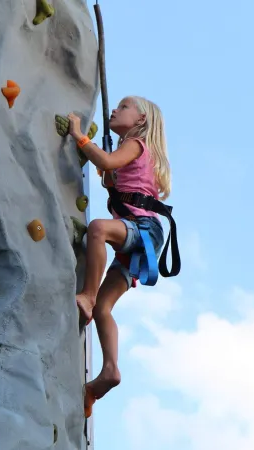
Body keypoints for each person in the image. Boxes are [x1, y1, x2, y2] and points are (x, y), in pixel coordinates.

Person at [67, 95, 172, 417]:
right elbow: (112, 174)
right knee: (105, 308)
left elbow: (108, 163)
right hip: (143, 236)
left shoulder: (137, 145)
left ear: (141, 120)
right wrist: (108, 174)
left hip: (143, 228)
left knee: (98, 229)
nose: (115, 110)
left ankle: (86, 293)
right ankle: (108, 372)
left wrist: (78, 135)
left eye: (124, 107)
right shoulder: (137, 153)